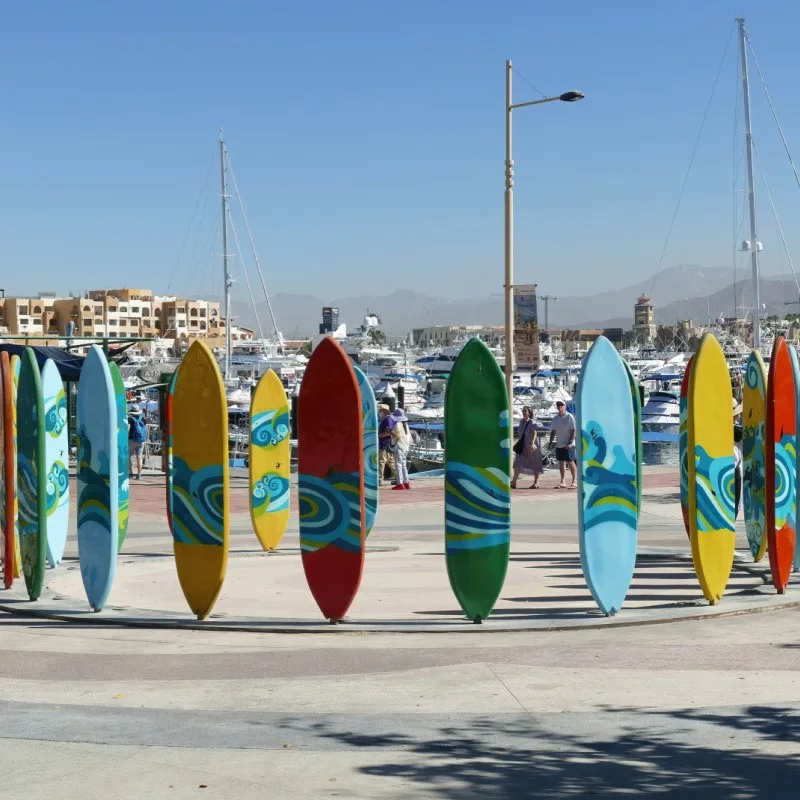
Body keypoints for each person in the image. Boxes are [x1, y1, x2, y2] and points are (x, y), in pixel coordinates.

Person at [511, 406, 543, 489]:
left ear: (529, 412)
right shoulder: (521, 421)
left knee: (535, 464)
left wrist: (532, 443)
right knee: (517, 462)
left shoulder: (532, 421)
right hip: (522, 446)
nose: (524, 412)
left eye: (525, 411)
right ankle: (514, 481)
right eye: (523, 411)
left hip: (531, 446)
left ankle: (536, 482)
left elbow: (535, 432)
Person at [548, 400, 576, 489]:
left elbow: (574, 430)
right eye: (558, 405)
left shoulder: (569, 416)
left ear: (565, 406)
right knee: (560, 463)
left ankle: (574, 481)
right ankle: (563, 481)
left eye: (561, 405)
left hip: (568, 444)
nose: (560, 406)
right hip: (559, 443)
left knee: (570, 462)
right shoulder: (555, 418)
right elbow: (553, 431)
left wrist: (571, 442)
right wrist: (550, 442)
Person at [390, 407, 411, 490]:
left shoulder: (398, 424)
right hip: (406, 446)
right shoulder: (406, 425)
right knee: (403, 465)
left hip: (399, 446)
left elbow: (397, 435)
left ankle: (400, 483)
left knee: (398, 465)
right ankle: (406, 482)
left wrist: (390, 432)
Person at [377, 403, 396, 485]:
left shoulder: (388, 420)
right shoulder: (388, 419)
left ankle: (380, 479)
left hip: (385, 444)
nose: (379, 412)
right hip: (387, 444)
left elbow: (389, 432)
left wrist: (378, 435)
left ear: (384, 411)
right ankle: (399, 478)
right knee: (391, 462)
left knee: (381, 461)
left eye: (380, 410)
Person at [128, 406, 147, 479]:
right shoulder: (142, 418)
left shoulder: (130, 419)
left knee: (128, 457)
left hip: (131, 440)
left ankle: (130, 473)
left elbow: (127, 428)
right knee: (139, 457)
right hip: (141, 440)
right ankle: (139, 474)